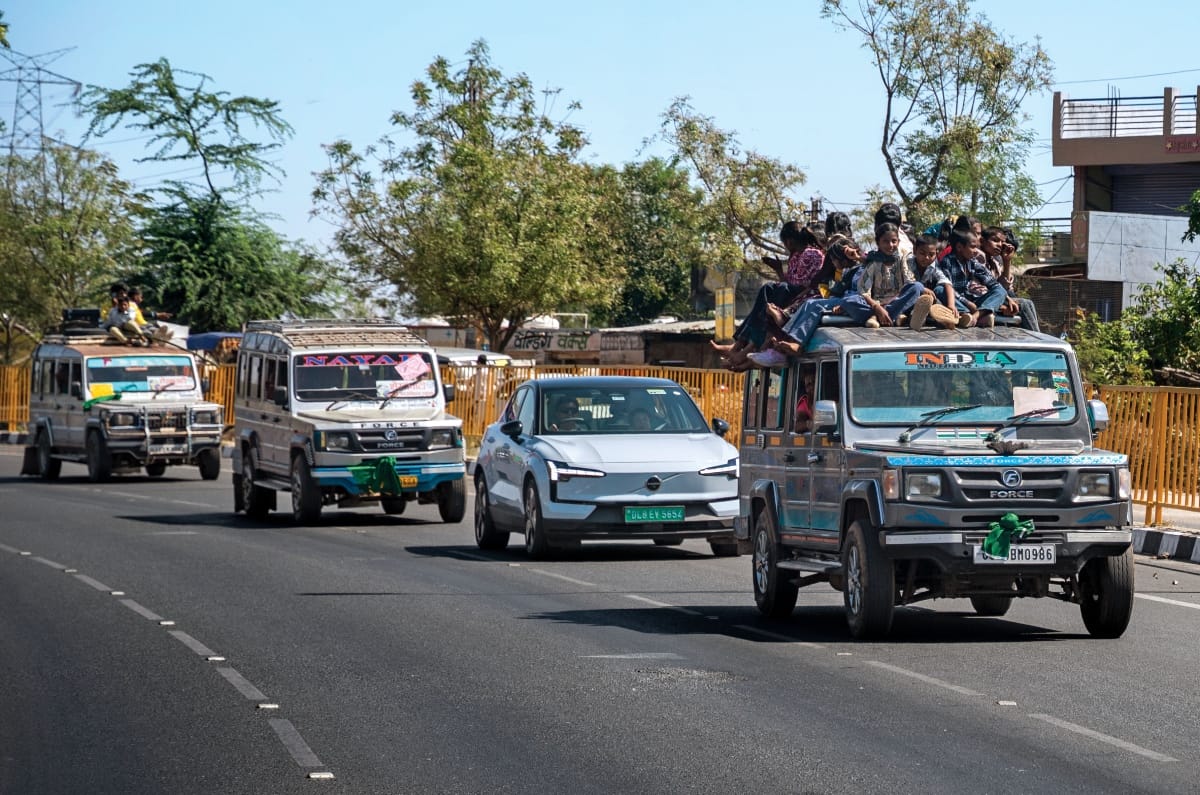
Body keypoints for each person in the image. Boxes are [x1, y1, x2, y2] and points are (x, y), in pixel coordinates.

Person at [930, 230, 1007, 328]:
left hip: (971, 302)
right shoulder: (948, 261)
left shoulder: (972, 262)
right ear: (959, 247)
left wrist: (1006, 298)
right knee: (940, 290)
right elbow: (949, 287)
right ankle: (968, 316)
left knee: (1000, 290)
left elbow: (992, 283)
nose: (976, 250)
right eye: (973, 247)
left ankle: (975, 316)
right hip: (956, 302)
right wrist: (968, 304)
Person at [979, 227, 1041, 332]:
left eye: (1002, 242)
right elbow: (992, 288)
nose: (999, 245)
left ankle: (1036, 336)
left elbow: (1005, 287)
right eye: (995, 240)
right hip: (983, 301)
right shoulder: (978, 259)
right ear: (982, 241)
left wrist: (1007, 261)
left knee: (1027, 303)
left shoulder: (994, 262)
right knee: (1024, 304)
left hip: (996, 299)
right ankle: (1038, 340)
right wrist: (1005, 302)